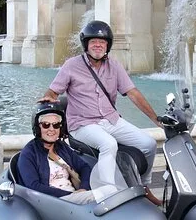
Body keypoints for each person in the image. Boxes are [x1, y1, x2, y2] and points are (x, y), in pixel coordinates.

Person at [38, 20, 163, 205]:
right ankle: (108, 195)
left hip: (110, 120)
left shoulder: (115, 66)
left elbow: (133, 93)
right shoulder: (71, 65)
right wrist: (49, 97)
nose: (98, 45)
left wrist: (156, 120)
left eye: (102, 42)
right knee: (108, 144)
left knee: (149, 144)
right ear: (86, 44)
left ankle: (143, 187)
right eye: (93, 41)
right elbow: (52, 91)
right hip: (82, 123)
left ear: (107, 45)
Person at [17, 101, 115, 204]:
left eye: (56, 125)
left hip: (75, 197)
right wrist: (71, 195)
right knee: (109, 192)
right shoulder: (29, 153)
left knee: (111, 190)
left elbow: (84, 167)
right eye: (46, 125)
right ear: (37, 128)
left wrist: (83, 188)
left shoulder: (61, 147)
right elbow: (33, 186)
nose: (51, 129)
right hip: (53, 201)